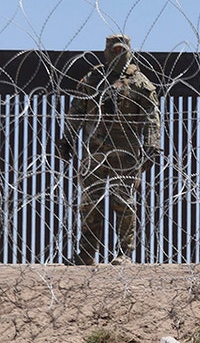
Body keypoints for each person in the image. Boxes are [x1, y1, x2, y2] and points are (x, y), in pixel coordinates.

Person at [56, 34, 161, 265]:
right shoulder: (92, 80)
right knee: (89, 202)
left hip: (126, 153)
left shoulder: (139, 83)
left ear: (129, 51)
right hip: (95, 150)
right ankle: (86, 253)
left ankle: (125, 253)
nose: (118, 55)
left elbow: (152, 118)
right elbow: (76, 113)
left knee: (123, 202)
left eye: (121, 51)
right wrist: (68, 141)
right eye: (114, 50)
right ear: (106, 51)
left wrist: (152, 146)